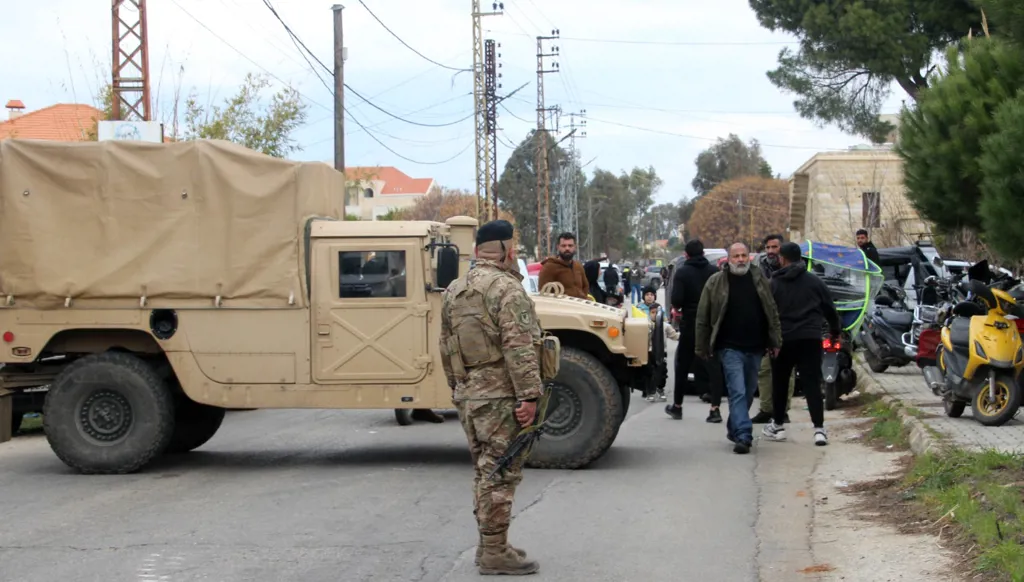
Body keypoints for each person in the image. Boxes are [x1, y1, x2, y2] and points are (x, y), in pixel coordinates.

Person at [439, 219, 542, 575]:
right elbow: (519, 347)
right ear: (509, 251)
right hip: (500, 396)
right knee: (500, 473)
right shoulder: (506, 289)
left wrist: (459, 388)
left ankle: (491, 544)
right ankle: (494, 552)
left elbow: (445, 344)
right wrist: (529, 396)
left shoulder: (454, 290)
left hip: (469, 396)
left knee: (485, 471)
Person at [695, 242, 782, 454]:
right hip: (729, 347)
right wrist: (701, 346)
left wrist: (775, 341)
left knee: (749, 391)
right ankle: (744, 435)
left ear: (749, 258)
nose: (741, 259)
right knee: (738, 392)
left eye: (744, 255)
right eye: (736, 256)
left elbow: (771, 311)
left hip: (755, 347)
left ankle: (734, 427)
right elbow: (702, 316)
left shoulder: (759, 279)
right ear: (729, 259)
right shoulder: (715, 283)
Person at [762, 242, 841, 447]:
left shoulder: (774, 283)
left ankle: (778, 426)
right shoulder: (815, 282)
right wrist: (835, 332)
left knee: (779, 383)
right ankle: (819, 430)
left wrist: (767, 339)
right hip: (810, 338)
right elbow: (830, 309)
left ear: (783, 259)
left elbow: (768, 314)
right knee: (812, 384)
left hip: (783, 340)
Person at [665, 239, 720, 422]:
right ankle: (715, 409)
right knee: (713, 365)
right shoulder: (714, 272)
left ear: (686, 255)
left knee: (682, 365)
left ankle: (678, 406)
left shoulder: (683, 272)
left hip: (690, 324)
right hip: (711, 324)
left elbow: (677, 300)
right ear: (703, 253)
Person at [752, 234, 793, 424]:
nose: (770, 251)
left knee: (786, 370)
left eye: (774, 247)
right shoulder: (760, 269)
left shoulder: (791, 270)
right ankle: (766, 408)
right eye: (767, 247)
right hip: (765, 326)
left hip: (787, 325)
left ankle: (783, 410)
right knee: (764, 369)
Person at [538, 232, 589, 299]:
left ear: (575, 247)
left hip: (579, 307)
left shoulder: (578, 266)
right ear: (558, 247)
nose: (567, 248)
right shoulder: (549, 268)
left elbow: (585, 286)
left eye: (570, 245)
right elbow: (543, 292)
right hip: (561, 307)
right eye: (563, 246)